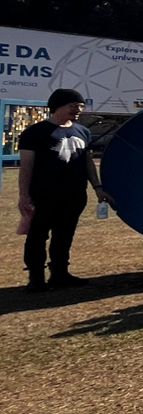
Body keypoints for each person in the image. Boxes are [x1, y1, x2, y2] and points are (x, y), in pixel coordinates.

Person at [16, 87, 110, 291]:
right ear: (57, 106)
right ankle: (36, 278)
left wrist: (97, 187)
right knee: (38, 236)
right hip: (44, 195)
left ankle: (60, 274)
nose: (78, 110)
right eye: (73, 106)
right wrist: (24, 195)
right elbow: (26, 167)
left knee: (64, 235)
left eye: (81, 106)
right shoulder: (34, 133)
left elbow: (87, 162)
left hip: (74, 195)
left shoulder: (83, 131)